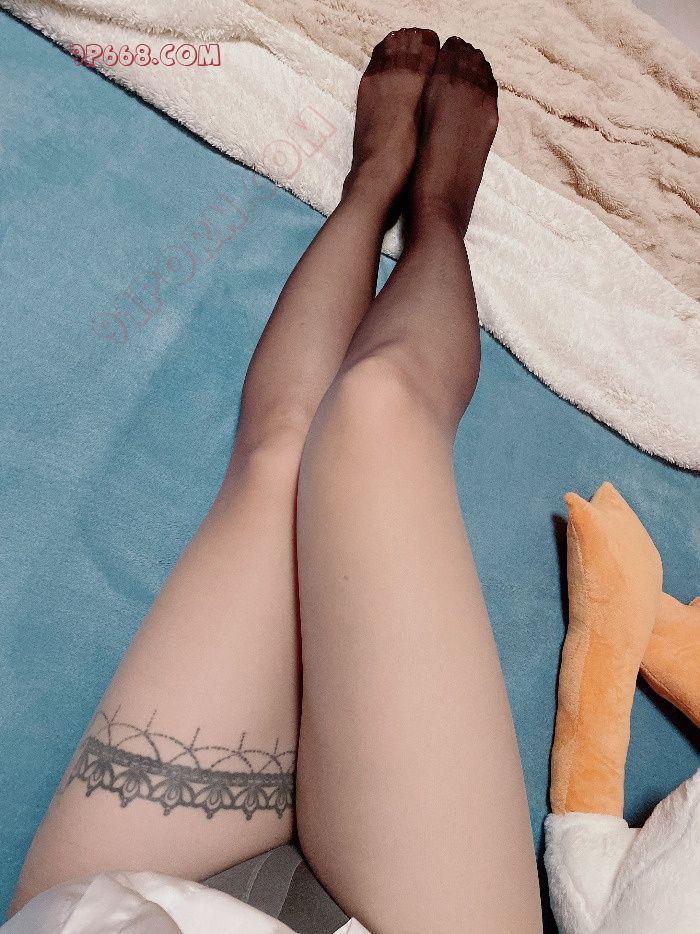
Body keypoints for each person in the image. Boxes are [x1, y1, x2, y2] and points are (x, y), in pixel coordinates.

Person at [8, 29, 542, 933]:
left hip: (127, 911)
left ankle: (383, 187)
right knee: (382, 408)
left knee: (281, 456)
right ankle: (435, 208)